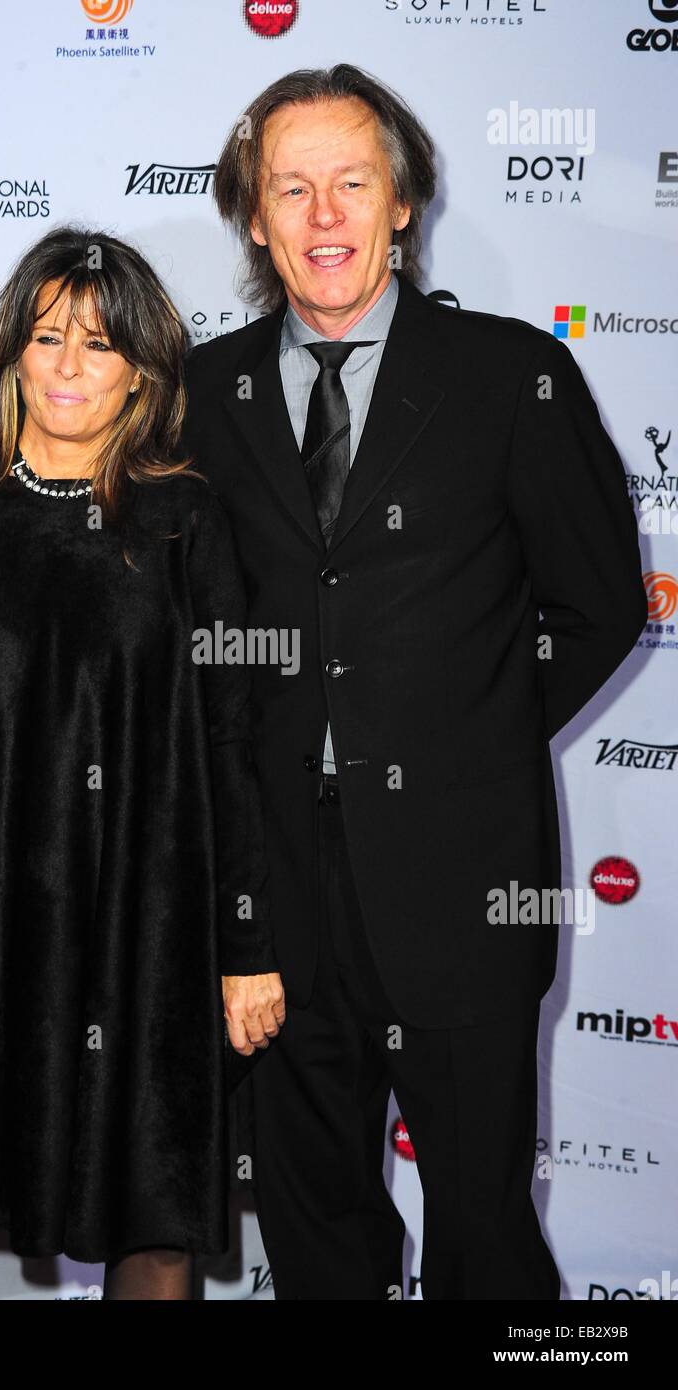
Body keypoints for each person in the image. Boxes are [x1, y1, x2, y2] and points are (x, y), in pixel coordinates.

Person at [182, 64, 648, 1299]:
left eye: (353, 183)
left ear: (403, 205)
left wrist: (465, 735)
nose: (324, 215)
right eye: (292, 188)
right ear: (255, 216)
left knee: (485, 1236)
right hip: (272, 892)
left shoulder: (510, 376)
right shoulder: (202, 397)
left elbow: (600, 605)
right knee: (315, 1224)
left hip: (466, 875)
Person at [0, 224, 284, 1301]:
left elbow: (232, 740)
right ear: (12, 355)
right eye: (47, 339)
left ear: (141, 365)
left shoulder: (185, 520)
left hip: (145, 937)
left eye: (98, 341)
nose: (70, 366)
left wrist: (244, 943)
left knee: (153, 1233)